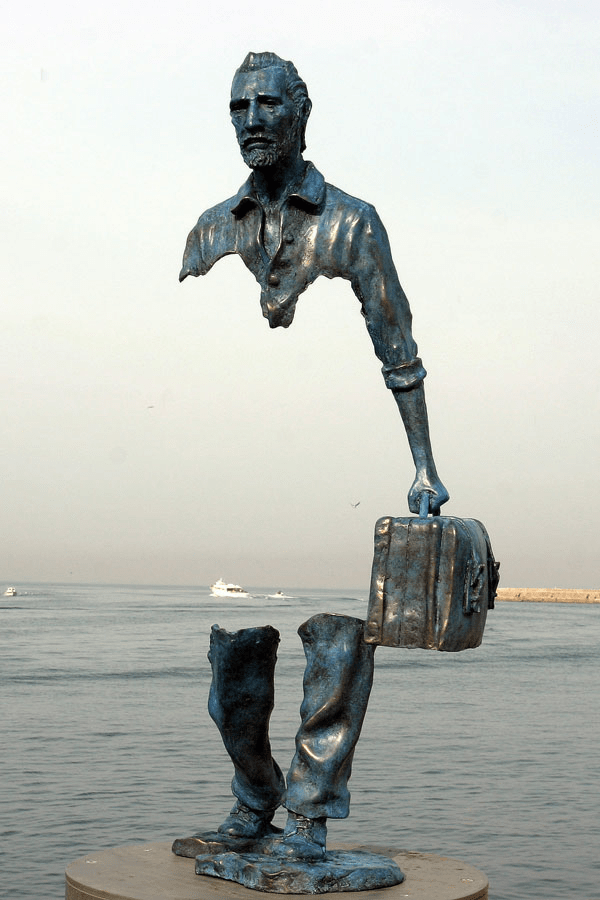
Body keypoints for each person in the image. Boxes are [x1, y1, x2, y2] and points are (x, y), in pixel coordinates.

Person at [179, 52, 449, 862]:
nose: (251, 120)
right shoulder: (210, 230)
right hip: (241, 472)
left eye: (267, 104)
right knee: (233, 671)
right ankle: (255, 796)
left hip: (345, 477)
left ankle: (309, 814)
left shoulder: (353, 223)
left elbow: (398, 347)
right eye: (238, 107)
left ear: (301, 113)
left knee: (339, 644)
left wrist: (424, 464)